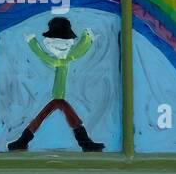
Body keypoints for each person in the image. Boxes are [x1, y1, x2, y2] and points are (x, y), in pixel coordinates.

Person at [7, 15, 105, 152]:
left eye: (64, 43)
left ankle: (23, 140)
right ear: (47, 42)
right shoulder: (60, 60)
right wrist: (32, 42)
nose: (59, 47)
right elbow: (44, 56)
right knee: (60, 110)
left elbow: (78, 51)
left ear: (71, 42)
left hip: (59, 95)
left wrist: (87, 38)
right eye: (54, 43)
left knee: (58, 110)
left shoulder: (68, 57)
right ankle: (84, 142)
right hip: (57, 95)